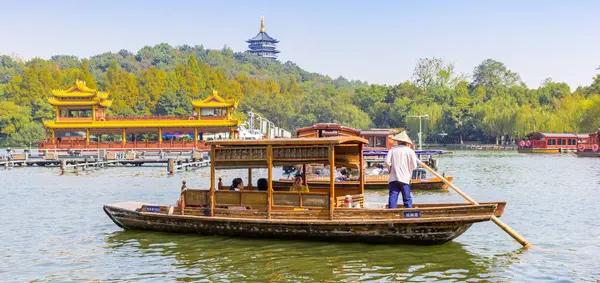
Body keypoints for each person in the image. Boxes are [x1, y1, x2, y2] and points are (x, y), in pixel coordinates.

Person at [385, 131, 417, 208]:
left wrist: (390, 170)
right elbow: (414, 165)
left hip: (394, 177)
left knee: (393, 197)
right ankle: (409, 214)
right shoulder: (410, 151)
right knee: (407, 198)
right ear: (406, 142)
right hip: (405, 178)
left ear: (398, 141)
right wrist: (409, 171)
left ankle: (392, 214)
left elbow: (387, 162)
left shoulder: (392, 150)